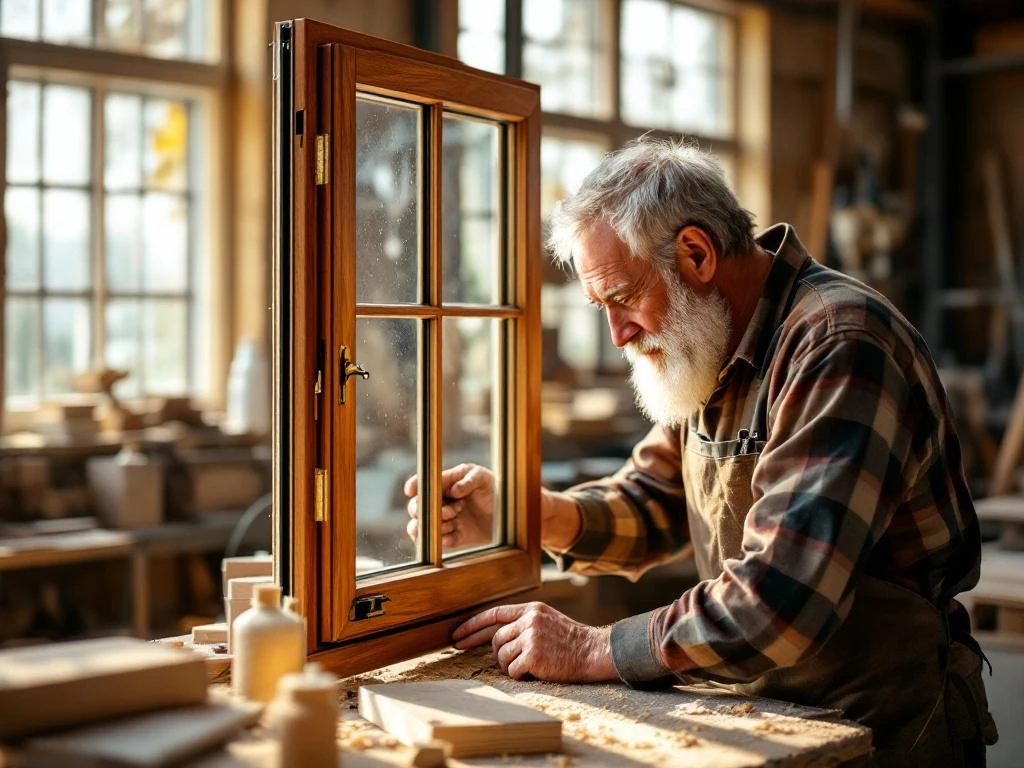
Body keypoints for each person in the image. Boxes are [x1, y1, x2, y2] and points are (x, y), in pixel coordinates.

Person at [404, 138, 998, 766]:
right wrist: (523, 516)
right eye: (600, 307)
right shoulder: (712, 338)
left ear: (696, 253)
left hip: (879, 730)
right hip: (769, 714)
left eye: (624, 296)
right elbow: (653, 502)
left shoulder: (839, 344)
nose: (617, 334)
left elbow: (781, 599)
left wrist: (593, 649)